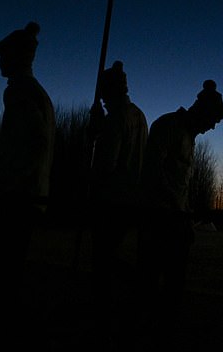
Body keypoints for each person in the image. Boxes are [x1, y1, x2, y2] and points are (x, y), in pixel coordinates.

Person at [0, 21, 56, 325]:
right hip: (26, 194)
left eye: (3, 56)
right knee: (8, 268)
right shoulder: (35, 92)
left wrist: (10, 183)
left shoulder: (20, 92)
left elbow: (34, 142)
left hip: (15, 196)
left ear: (16, 58)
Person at [138, 79, 223, 324]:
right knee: (152, 278)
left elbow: (179, 184)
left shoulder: (187, 136)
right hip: (158, 218)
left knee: (173, 282)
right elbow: (154, 172)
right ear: (203, 113)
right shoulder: (168, 127)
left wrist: (184, 214)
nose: (212, 128)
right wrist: (177, 209)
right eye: (213, 121)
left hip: (174, 219)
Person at [90, 60, 148, 281]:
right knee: (108, 253)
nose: (102, 98)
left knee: (103, 256)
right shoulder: (139, 115)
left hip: (112, 200)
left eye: (104, 93)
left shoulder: (116, 118)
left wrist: (98, 132)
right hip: (133, 197)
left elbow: (106, 163)